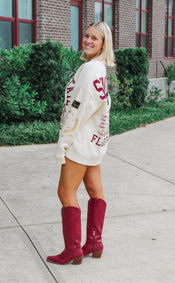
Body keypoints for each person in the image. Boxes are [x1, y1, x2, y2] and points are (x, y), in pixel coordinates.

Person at [47, 21, 115, 265]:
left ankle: (73, 249)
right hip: (93, 143)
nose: (87, 40)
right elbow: (104, 107)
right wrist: (101, 140)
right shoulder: (99, 70)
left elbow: (77, 109)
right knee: (95, 191)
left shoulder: (89, 70)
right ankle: (94, 243)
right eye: (86, 35)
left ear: (103, 44)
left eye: (94, 38)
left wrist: (63, 143)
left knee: (65, 192)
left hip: (80, 141)